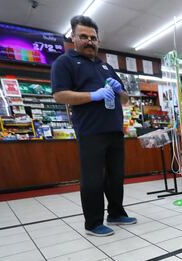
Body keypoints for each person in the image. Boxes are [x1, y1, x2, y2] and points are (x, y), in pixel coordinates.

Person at [51, 15, 136, 237]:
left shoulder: (105, 66)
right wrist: (93, 95)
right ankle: (93, 222)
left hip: (115, 130)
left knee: (116, 177)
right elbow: (59, 95)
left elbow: (126, 100)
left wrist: (120, 91)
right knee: (93, 179)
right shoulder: (64, 63)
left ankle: (116, 213)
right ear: (73, 37)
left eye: (94, 38)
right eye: (84, 36)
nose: (90, 41)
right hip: (91, 131)